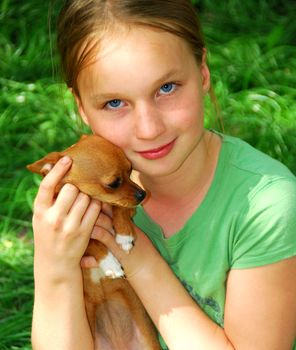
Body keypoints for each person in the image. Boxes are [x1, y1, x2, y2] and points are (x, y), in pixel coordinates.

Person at [31, 1, 296, 349]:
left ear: (203, 73)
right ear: (81, 106)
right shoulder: (87, 193)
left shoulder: (266, 208)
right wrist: (54, 269)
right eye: (114, 103)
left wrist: (138, 259)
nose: (149, 128)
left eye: (167, 88)